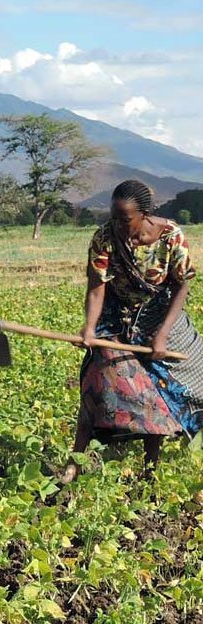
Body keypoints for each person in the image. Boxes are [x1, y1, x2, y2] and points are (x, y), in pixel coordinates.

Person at [62, 180, 203, 483]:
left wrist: (162, 335)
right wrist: (89, 329)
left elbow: (181, 287)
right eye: (114, 216)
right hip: (118, 317)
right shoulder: (105, 237)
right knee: (96, 383)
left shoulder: (171, 236)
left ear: (145, 214)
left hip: (160, 316)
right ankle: (75, 463)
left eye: (125, 218)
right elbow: (96, 288)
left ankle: (150, 468)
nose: (118, 224)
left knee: (165, 391)